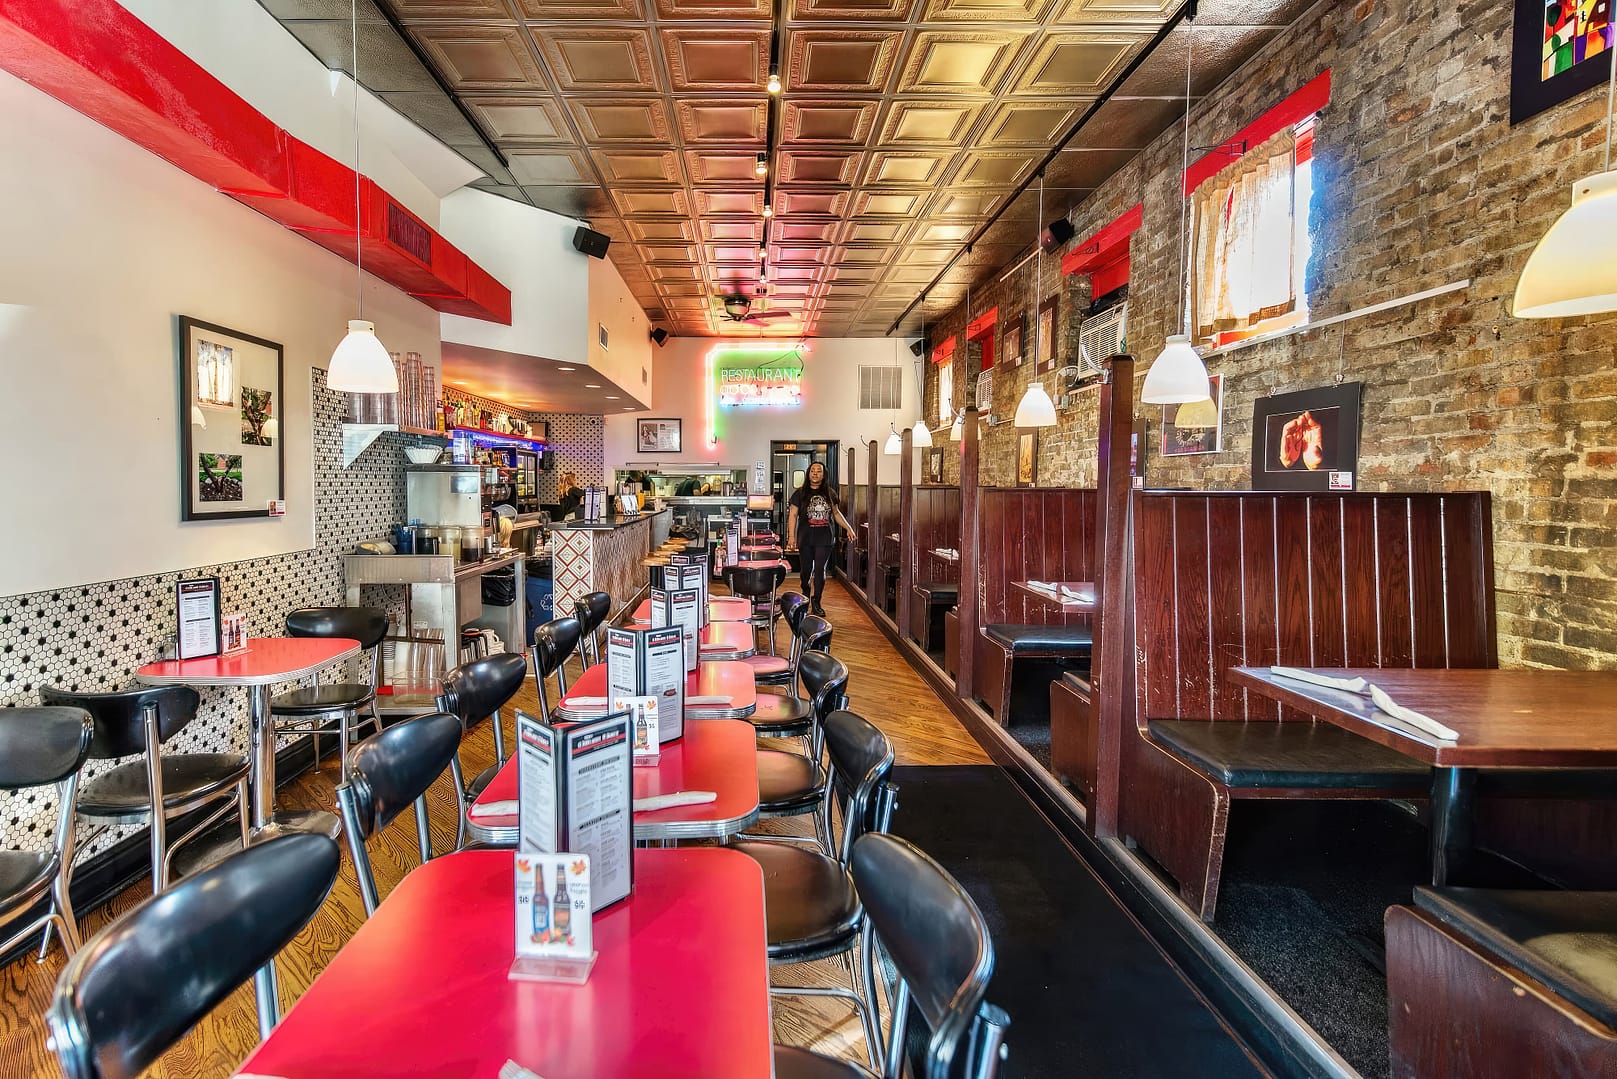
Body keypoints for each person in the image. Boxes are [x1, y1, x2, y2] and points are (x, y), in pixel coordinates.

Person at [785, 461, 852, 616]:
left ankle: (817, 601)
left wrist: (848, 527)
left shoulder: (830, 493)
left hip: (825, 538)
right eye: (813, 470)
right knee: (806, 570)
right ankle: (805, 591)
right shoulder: (799, 493)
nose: (815, 473)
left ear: (824, 474)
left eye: (819, 471)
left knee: (820, 569)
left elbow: (836, 514)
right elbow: (793, 515)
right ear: (809, 473)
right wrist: (791, 537)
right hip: (805, 538)